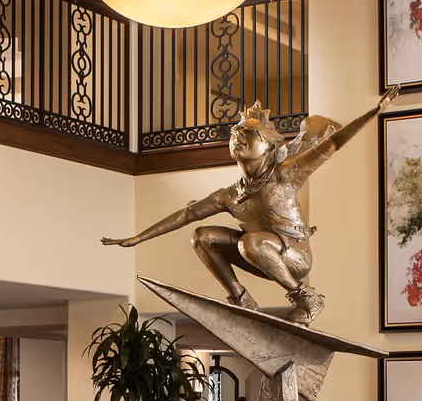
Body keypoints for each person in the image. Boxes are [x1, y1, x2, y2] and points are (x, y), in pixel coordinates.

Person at [102, 88, 398, 323]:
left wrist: (374, 111)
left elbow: (333, 144)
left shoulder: (287, 174)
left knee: (250, 243)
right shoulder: (230, 194)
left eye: (246, 135)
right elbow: (185, 216)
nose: (237, 139)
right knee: (202, 236)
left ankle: (306, 297)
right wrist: (137, 238)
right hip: (259, 253)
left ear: (269, 146)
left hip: (294, 259)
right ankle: (242, 299)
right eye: (234, 135)